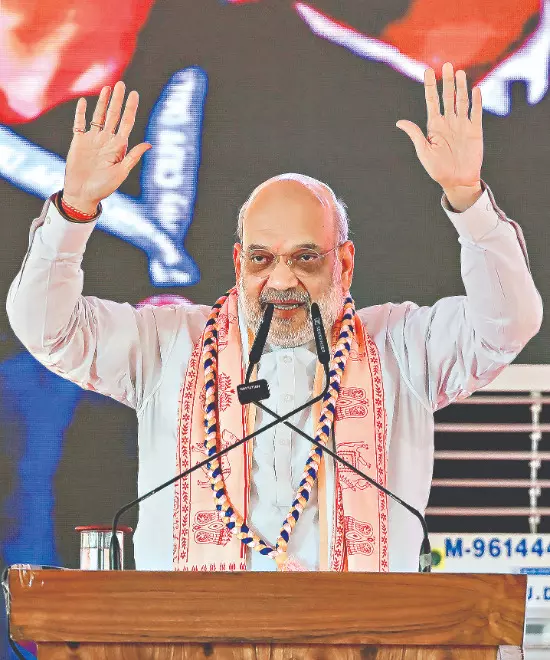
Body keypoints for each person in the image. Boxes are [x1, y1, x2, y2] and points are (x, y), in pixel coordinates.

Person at [6, 63, 542, 572]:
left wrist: (468, 200)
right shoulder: (169, 345)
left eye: (305, 258)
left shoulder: (402, 347)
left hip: (362, 628)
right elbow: (47, 329)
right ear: (238, 264)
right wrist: (74, 210)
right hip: (197, 627)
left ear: (344, 264)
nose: (282, 280)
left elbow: (508, 322)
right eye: (262, 259)